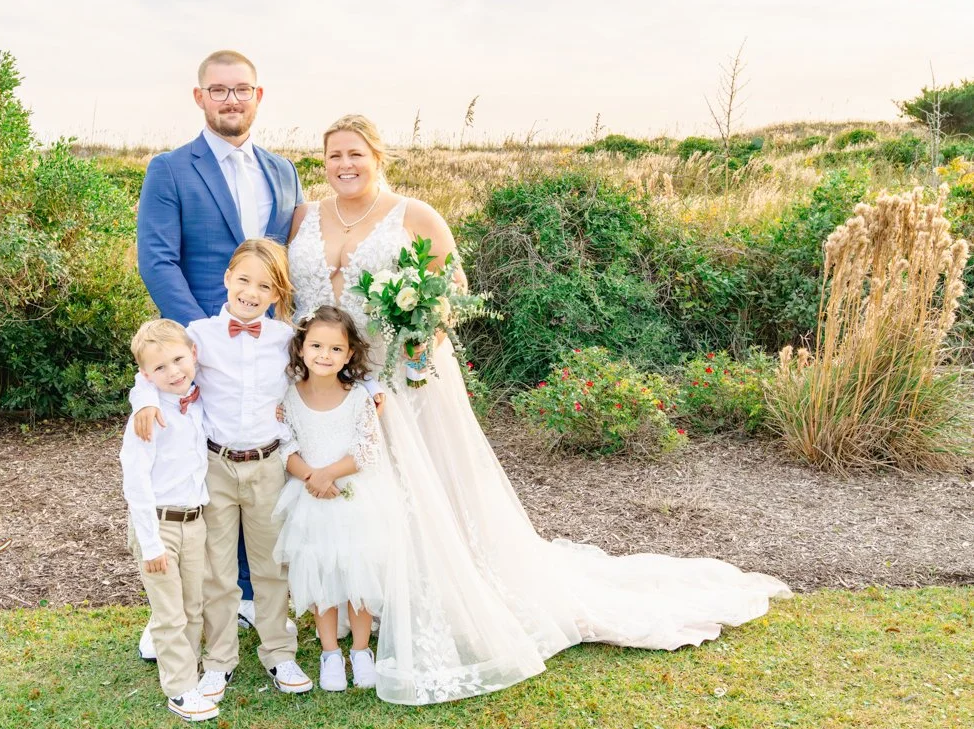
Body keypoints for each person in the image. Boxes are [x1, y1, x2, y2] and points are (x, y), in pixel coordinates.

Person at [285, 114, 792, 705]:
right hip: (325, 381)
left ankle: (416, 598)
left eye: (356, 154)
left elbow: (450, 291)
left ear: (378, 157)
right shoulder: (304, 217)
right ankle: (352, 594)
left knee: (411, 487)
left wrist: (423, 340)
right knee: (355, 490)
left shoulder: (414, 215)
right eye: (334, 156)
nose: (344, 165)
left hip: (396, 376)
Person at [134, 49, 303, 654]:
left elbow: (289, 262)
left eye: (241, 89)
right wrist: (195, 343)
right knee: (188, 479)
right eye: (219, 90)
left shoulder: (283, 171)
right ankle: (178, 610)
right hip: (199, 354)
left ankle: (253, 598)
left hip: (264, 353)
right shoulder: (170, 169)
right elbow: (158, 258)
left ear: (259, 95)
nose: (231, 99)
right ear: (200, 96)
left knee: (256, 469)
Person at [132, 239, 314, 700]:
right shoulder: (199, 334)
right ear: (227, 277)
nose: (252, 292)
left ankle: (279, 652)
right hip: (214, 465)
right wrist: (145, 400)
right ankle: (219, 659)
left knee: (271, 564)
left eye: (265, 286)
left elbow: (319, 371)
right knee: (217, 569)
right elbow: (152, 367)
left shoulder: (285, 339)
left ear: (277, 294)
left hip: (268, 464)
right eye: (244, 280)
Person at [272, 306, 397, 692]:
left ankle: (360, 650)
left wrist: (329, 474)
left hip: (352, 497)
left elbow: (368, 448)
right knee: (319, 573)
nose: (325, 355)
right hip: (310, 500)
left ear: (349, 354)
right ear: (301, 348)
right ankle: (330, 653)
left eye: (335, 349)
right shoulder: (289, 398)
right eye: (316, 346)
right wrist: (312, 476)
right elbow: (285, 446)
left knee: (358, 572)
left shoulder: (358, 397)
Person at [119, 320, 216, 722]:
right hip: (158, 525)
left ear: (193, 354)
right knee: (170, 612)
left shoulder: (198, 402)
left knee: (192, 607)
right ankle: (179, 689)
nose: (173, 372)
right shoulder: (148, 416)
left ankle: (189, 671)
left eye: (178, 360)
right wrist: (151, 544)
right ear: (146, 375)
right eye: (160, 368)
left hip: (194, 521)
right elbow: (136, 482)